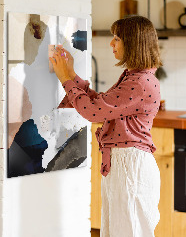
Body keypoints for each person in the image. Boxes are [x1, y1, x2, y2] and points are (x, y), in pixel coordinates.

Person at [49, 15, 162, 237]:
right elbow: (101, 104)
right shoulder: (135, 77)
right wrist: (71, 74)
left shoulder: (139, 82)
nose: (111, 43)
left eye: (117, 38)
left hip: (130, 166)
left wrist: (65, 79)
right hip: (124, 164)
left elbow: (92, 112)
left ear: (133, 43)